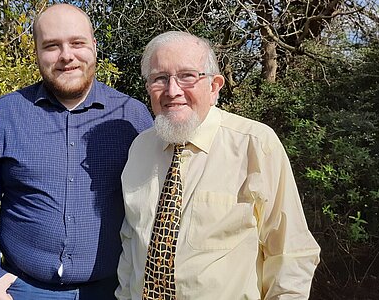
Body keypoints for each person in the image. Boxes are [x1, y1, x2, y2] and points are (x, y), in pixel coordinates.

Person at [0, 3, 153, 300]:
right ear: (36, 52)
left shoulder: (132, 118)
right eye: (52, 46)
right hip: (22, 289)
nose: (66, 56)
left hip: (113, 289)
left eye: (77, 43)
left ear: (94, 47)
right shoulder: (6, 114)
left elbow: (156, 203)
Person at [115, 31, 321, 299]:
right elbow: (131, 241)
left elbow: (290, 253)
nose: (172, 90)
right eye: (160, 78)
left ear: (214, 87)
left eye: (188, 76)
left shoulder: (255, 145)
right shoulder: (140, 148)